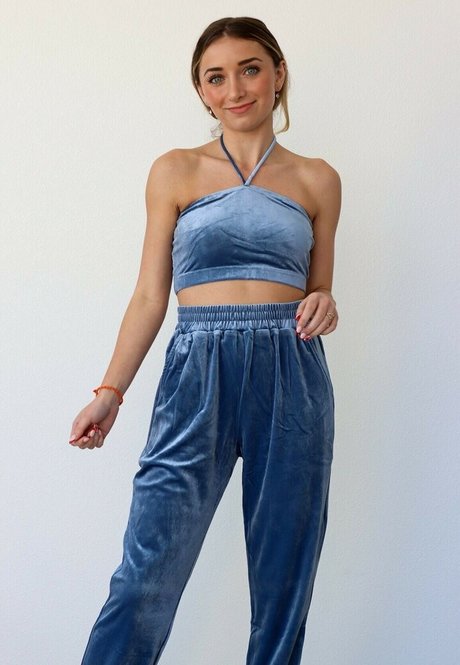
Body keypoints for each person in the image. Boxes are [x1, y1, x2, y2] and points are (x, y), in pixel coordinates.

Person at [70, 15, 341, 665]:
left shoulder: (318, 179)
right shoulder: (175, 170)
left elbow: (319, 290)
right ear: (201, 91)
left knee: (284, 582)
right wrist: (110, 391)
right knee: (144, 577)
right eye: (215, 77)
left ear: (278, 74)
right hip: (197, 369)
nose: (235, 89)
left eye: (249, 69)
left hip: (292, 374)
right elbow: (149, 295)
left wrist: (326, 303)